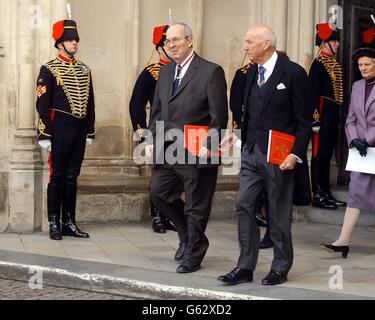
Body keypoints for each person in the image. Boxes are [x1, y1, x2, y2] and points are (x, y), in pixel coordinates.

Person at [218, 25, 311, 286]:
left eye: (249, 42)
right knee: (243, 204)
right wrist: (236, 136)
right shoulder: (250, 73)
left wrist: (296, 154)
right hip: (250, 152)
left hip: (279, 156)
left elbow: (304, 122)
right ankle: (245, 266)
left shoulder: (293, 73)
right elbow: (248, 113)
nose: (245, 46)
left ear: (266, 44)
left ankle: (280, 267)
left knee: (278, 212)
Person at [147, 22, 228, 274]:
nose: (170, 45)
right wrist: (150, 141)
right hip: (168, 148)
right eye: (168, 41)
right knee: (159, 193)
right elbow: (157, 112)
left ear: (190, 41)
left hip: (197, 150)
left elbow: (219, 116)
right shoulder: (165, 72)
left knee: (196, 204)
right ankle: (187, 235)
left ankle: (193, 253)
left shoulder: (210, 71)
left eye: (176, 40)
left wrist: (210, 147)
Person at [36, 20, 94, 240]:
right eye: (70, 40)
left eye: (76, 40)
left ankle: (69, 221)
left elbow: (90, 102)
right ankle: (54, 223)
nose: (75, 43)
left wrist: (90, 130)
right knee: (57, 175)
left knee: (73, 176)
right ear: (59, 43)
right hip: (59, 128)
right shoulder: (48, 69)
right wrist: (45, 133)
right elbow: (42, 103)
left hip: (79, 130)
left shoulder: (84, 69)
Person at [321, 42, 375, 258]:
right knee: (355, 193)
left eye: (367, 64)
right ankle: (343, 241)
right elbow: (350, 119)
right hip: (362, 153)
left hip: (370, 145)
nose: (363, 68)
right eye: (360, 65)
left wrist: (367, 139)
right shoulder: (357, 86)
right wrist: (354, 140)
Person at [129, 25, 177, 234]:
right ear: (159, 49)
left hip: (179, 131)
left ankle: (171, 215)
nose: (172, 47)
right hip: (157, 129)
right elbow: (136, 103)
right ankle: (157, 216)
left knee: (176, 175)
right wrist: (142, 132)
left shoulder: (182, 71)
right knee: (157, 174)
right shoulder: (151, 73)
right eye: (168, 43)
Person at [309, 23, 346, 210]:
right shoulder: (318, 64)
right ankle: (317, 194)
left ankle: (326, 192)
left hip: (331, 115)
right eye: (335, 41)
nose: (338, 44)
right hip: (322, 116)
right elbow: (312, 95)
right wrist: (315, 119)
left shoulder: (332, 62)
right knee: (319, 155)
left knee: (326, 153)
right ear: (325, 43)